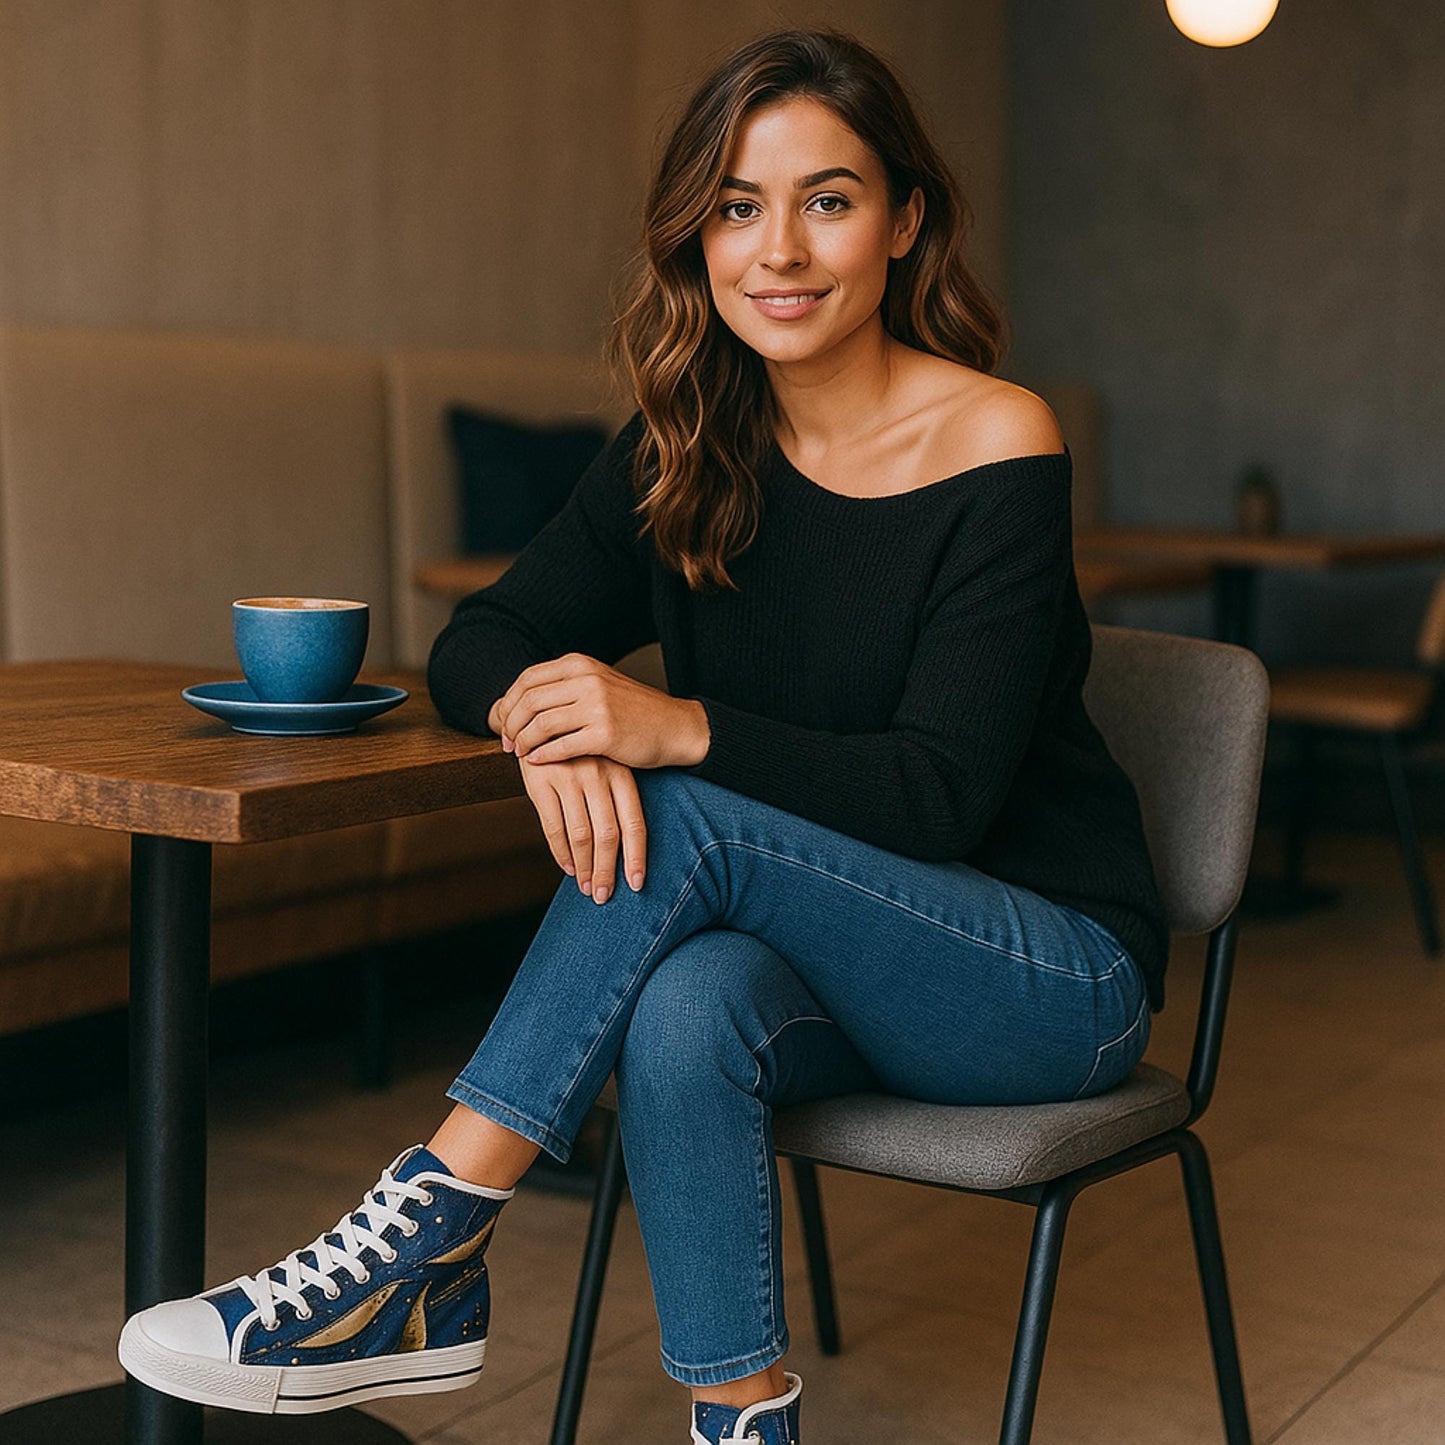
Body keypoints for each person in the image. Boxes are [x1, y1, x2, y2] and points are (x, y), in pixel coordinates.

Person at [117, 28, 1167, 1445]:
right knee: (681, 1004)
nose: (777, 250)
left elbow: (937, 795)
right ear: (697, 236)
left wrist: (667, 724)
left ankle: (421, 1241)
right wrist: (556, 729)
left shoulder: (995, 441)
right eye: (737, 205)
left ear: (905, 221)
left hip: (1046, 975)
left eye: (828, 199)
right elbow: (480, 636)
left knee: (682, 809)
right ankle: (741, 1419)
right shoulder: (687, 442)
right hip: (834, 968)